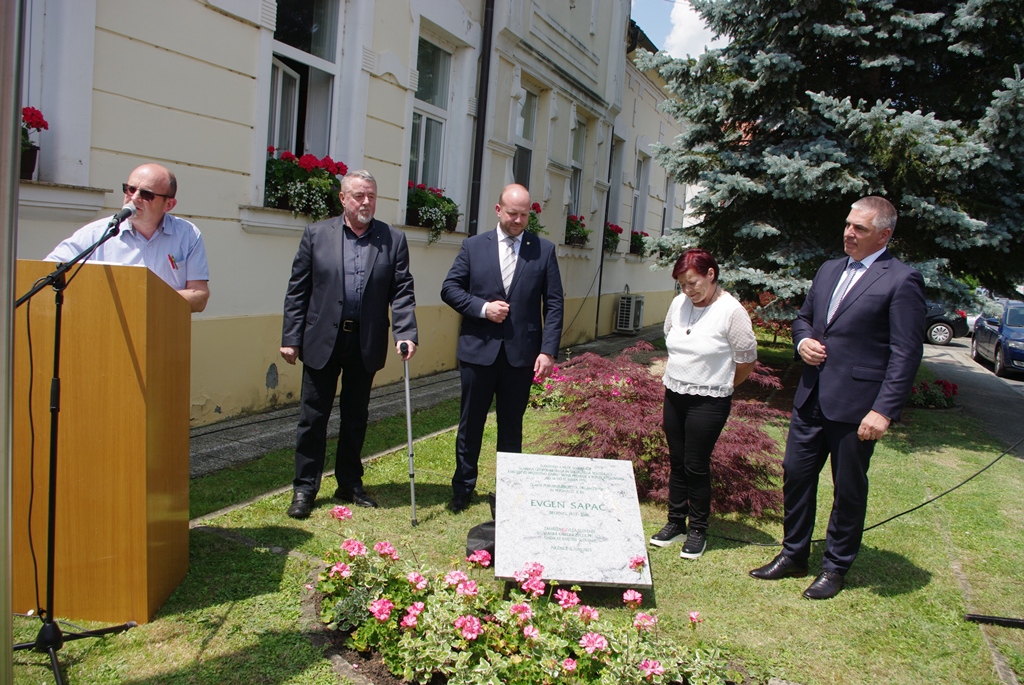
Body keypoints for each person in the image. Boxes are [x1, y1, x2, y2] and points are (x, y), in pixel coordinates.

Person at [749, 196, 925, 599]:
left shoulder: (900, 279)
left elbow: (906, 352)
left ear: (884, 234)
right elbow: (804, 319)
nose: (849, 232)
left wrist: (884, 410)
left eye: (859, 228)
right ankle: (793, 555)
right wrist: (803, 340)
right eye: (848, 224)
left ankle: (835, 567)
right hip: (811, 397)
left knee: (847, 488)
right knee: (795, 475)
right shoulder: (829, 270)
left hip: (858, 405)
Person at [280, 169, 417, 519]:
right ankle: (305, 488)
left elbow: (401, 291)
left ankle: (349, 482)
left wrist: (405, 332)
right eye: (359, 195)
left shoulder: (392, 239)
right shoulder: (316, 235)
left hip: (365, 340)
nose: (366, 202)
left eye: (371, 195)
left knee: (356, 416)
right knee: (313, 417)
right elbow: (299, 290)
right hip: (322, 338)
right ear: (343, 198)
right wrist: (291, 338)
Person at [440, 183, 564, 513]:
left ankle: (508, 492)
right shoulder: (473, 247)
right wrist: (482, 308)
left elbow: (553, 304)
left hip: (520, 356)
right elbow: (449, 289)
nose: (518, 220)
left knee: (511, 427)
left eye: (525, 215)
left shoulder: (544, 250)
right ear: (498, 211)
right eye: (513, 214)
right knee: (471, 424)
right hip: (478, 353)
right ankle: (463, 488)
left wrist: (547, 351)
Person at [649, 249, 757, 559]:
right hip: (675, 393)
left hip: (709, 401)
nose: (687, 290)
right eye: (682, 284)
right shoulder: (679, 304)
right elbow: (672, 335)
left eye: (693, 283)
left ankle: (697, 530)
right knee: (677, 460)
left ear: (711, 274)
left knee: (696, 465)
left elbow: (746, 359)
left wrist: (724, 383)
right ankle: (675, 523)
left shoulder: (731, 311)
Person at [45, 163, 210, 312]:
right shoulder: (97, 233)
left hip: (165, 335)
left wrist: (143, 300)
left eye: (146, 194)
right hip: (108, 333)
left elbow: (199, 297)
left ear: (169, 205)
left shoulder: (187, 234)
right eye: (130, 189)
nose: (134, 197)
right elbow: (47, 273)